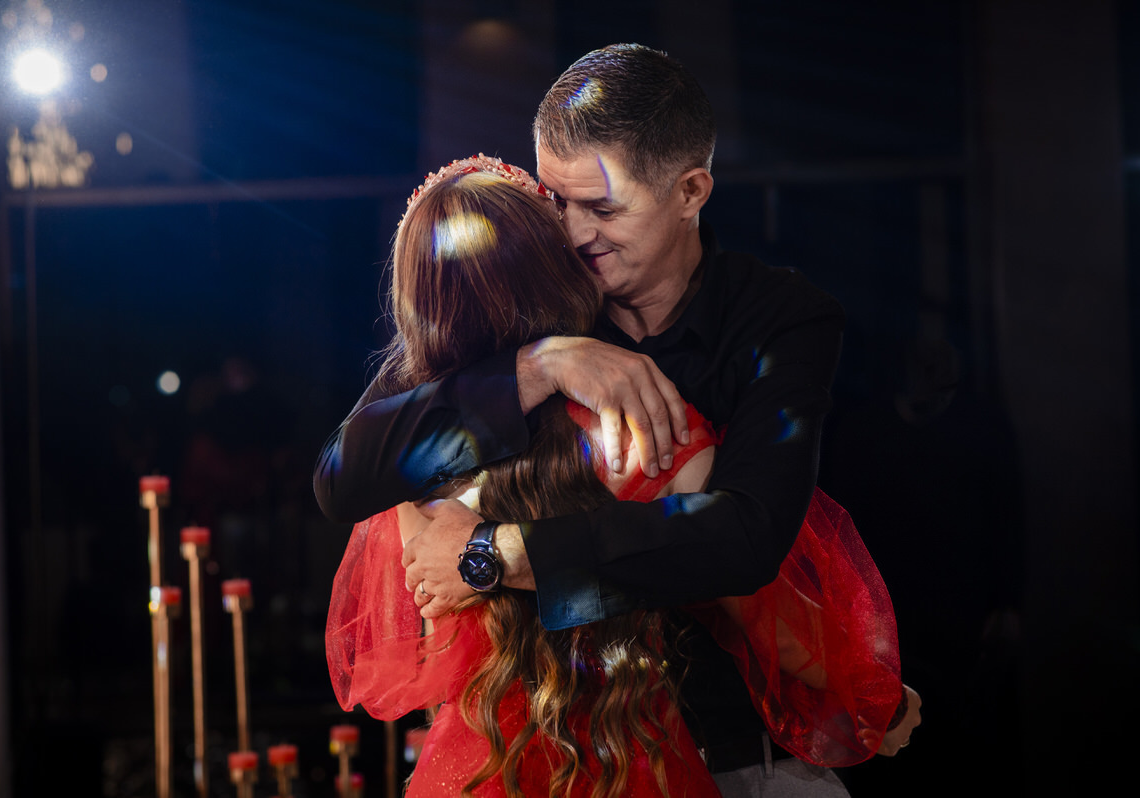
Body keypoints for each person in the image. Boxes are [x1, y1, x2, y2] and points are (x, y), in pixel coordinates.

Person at [316, 44, 920, 793]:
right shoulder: (530, 332)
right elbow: (346, 476)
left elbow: (739, 544)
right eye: (557, 202)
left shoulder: (778, 319)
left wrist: (494, 554)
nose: (572, 234)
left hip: (740, 753)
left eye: (603, 208)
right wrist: (545, 366)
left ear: (691, 190)